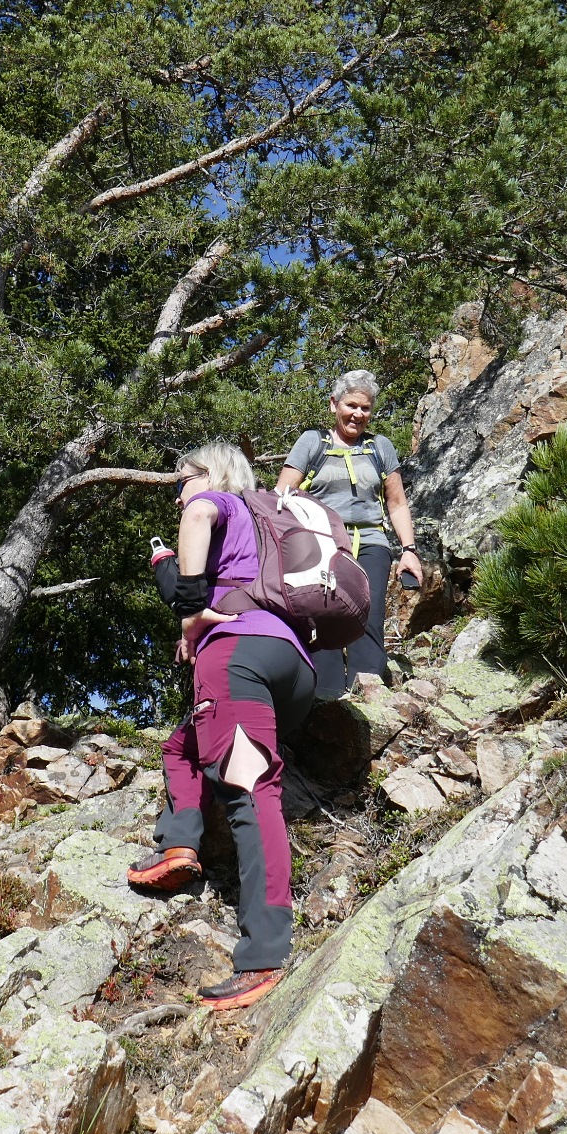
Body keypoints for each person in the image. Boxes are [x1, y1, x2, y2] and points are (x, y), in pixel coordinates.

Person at [126, 440, 313, 1012]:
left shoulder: (219, 503)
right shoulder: (265, 519)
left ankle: (264, 953)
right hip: (294, 666)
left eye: (181, 480)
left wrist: (189, 614)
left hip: (237, 657)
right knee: (181, 748)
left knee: (249, 788)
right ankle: (180, 843)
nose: (179, 493)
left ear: (208, 475)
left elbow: (199, 513)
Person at [278, 370, 421, 700]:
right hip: (321, 543)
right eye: (351, 405)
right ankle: (326, 697)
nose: (358, 414)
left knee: (368, 617)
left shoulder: (379, 447)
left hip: (372, 541)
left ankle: (370, 696)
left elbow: (396, 503)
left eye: (366, 408)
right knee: (324, 614)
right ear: (334, 405)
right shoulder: (313, 443)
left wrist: (409, 550)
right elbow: (281, 496)